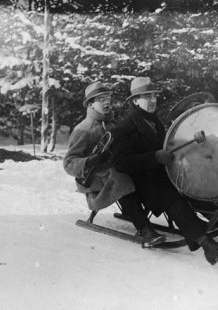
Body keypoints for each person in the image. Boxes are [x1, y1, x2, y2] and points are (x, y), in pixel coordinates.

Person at [112, 77, 218, 264]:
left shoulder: (153, 121)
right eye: (146, 97)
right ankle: (207, 245)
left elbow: (168, 146)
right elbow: (120, 163)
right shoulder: (125, 127)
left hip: (162, 176)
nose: (152, 101)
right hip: (143, 185)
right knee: (175, 201)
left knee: (198, 193)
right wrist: (154, 157)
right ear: (135, 100)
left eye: (154, 96)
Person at [63, 81, 166, 248]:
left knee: (138, 170)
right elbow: (69, 163)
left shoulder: (113, 124)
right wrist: (90, 161)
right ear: (90, 104)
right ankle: (145, 229)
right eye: (100, 99)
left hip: (112, 170)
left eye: (108, 98)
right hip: (93, 178)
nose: (106, 103)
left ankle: (154, 208)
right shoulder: (83, 129)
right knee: (120, 177)